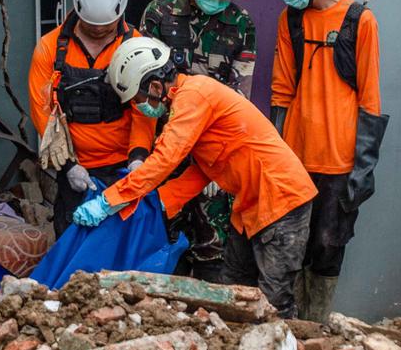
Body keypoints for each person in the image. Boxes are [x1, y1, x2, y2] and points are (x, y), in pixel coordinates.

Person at [73, 37, 317, 319]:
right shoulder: (190, 101)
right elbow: (203, 170)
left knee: (274, 301)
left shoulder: (194, 96)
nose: (140, 109)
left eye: (138, 101)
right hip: (251, 206)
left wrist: (108, 200)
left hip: (283, 201)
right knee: (234, 291)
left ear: (154, 86)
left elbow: (166, 158)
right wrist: (159, 203)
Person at [263, 0, 387, 322]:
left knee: (328, 250)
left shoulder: (359, 21)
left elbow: (370, 97)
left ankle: (317, 324)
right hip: (295, 159)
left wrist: (364, 167)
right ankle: (290, 326)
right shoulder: (291, 20)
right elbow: (281, 90)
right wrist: (276, 154)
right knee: (288, 249)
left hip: (339, 162)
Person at [140, 0, 256, 283]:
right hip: (167, 150)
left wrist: (211, 164)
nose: (217, 1)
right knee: (162, 234)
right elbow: (147, 87)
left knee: (212, 248)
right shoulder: (159, 14)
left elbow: (239, 101)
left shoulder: (241, 25)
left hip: (214, 153)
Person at [28, 0, 155, 236]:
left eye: (106, 25)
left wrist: (138, 156)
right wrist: (69, 166)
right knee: (73, 243)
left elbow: (143, 110)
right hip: (75, 169)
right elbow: (42, 109)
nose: (98, 30)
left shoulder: (135, 45)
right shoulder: (50, 48)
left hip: (123, 167)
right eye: (91, 24)